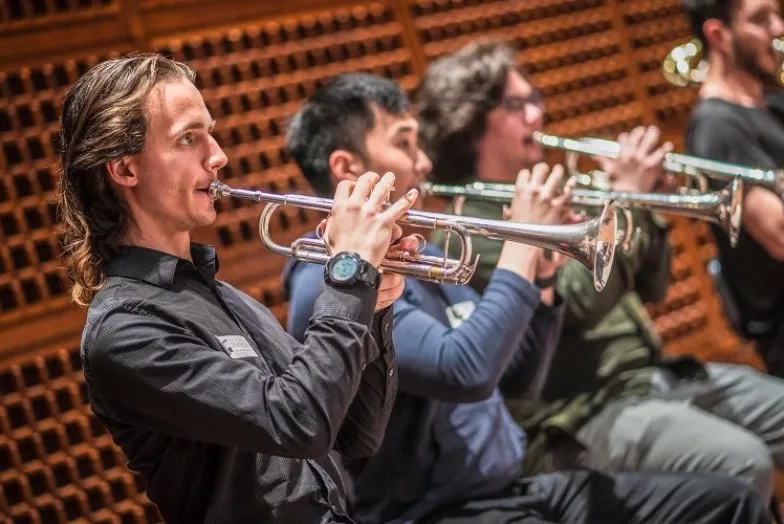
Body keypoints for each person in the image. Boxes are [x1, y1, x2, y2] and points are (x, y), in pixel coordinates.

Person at [283, 71, 769, 524]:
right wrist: (521, 242)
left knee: (730, 501)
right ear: (347, 166)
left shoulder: (421, 250)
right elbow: (464, 370)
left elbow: (516, 380)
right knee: (740, 465)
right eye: (403, 143)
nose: (423, 161)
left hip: (513, 487)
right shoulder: (328, 281)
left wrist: (545, 281)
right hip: (442, 511)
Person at [416, 39, 784, 509]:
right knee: (741, 461)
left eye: (535, 99)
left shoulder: (558, 191)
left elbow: (654, 286)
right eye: (516, 106)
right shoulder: (472, 222)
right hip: (583, 412)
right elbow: (579, 303)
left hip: (656, 377)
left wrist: (649, 205)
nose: (536, 115)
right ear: (469, 125)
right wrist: (628, 200)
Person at [57, 53, 424, 524]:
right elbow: (299, 422)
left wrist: (375, 305)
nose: (218, 156)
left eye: (210, 132)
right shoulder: (125, 332)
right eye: (189, 139)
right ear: (125, 169)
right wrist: (350, 268)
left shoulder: (227, 298)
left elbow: (357, 432)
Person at [683, 0, 784, 376]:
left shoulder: (772, 104)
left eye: (778, 15)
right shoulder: (717, 128)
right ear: (718, 35)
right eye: (760, 19)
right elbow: (779, 235)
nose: (778, 29)